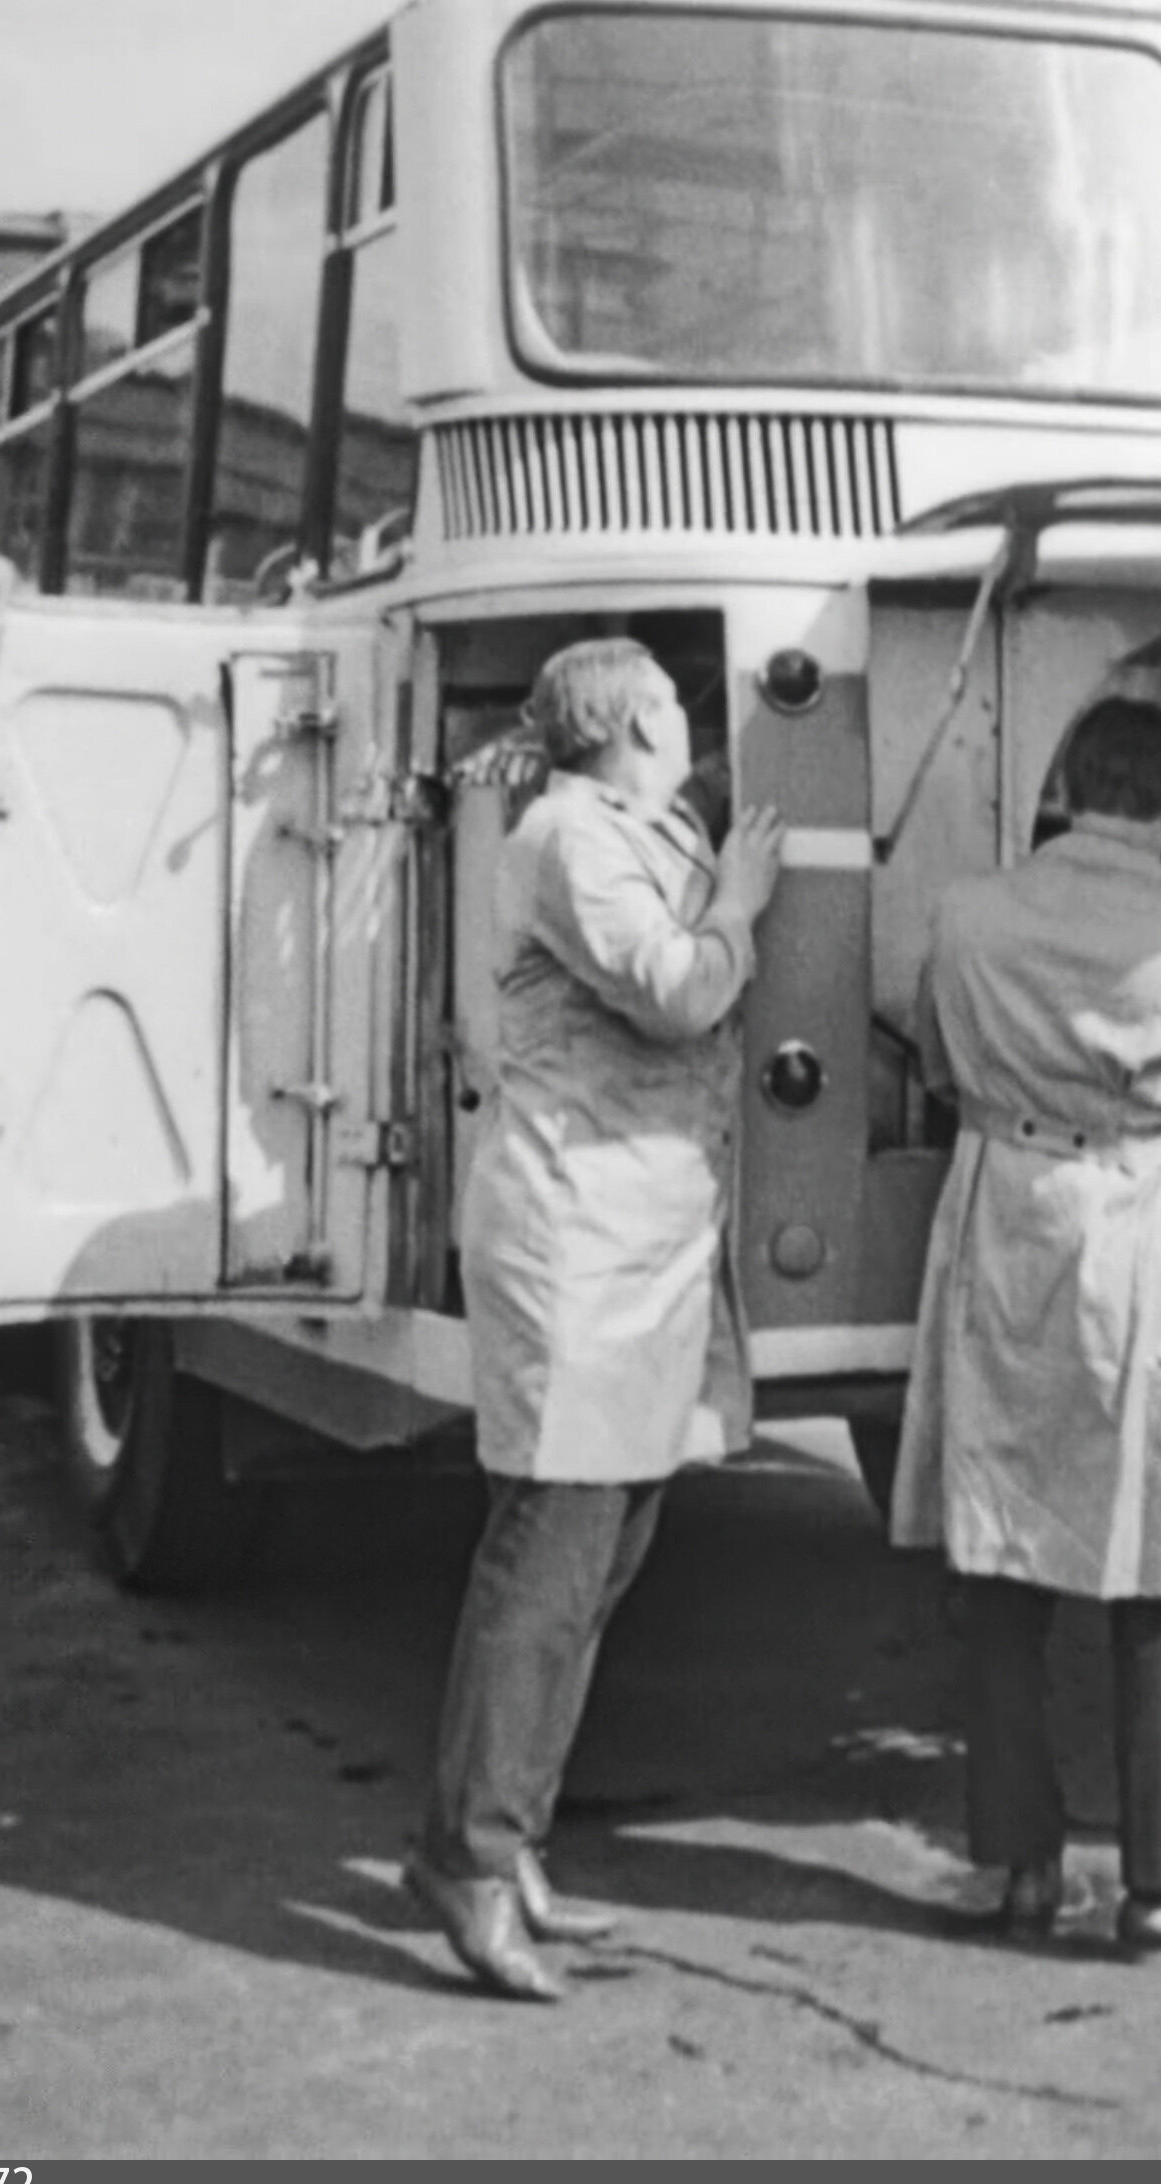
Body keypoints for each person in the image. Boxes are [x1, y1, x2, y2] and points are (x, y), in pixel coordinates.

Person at [406, 637, 786, 2001]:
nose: (690, 718)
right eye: (677, 702)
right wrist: (739, 905)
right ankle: (466, 1855)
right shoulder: (569, 836)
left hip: (640, 1241)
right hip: (577, 1239)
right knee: (548, 1560)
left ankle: (510, 1847)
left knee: (603, 1558)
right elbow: (678, 989)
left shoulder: (627, 827)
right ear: (626, 715)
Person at [891, 698, 1161, 1954]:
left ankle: (1019, 1868)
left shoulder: (969, 913)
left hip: (1002, 1208)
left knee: (1000, 1549)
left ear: (1065, 784)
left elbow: (940, 1060)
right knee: (1156, 1549)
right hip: (1135, 1229)